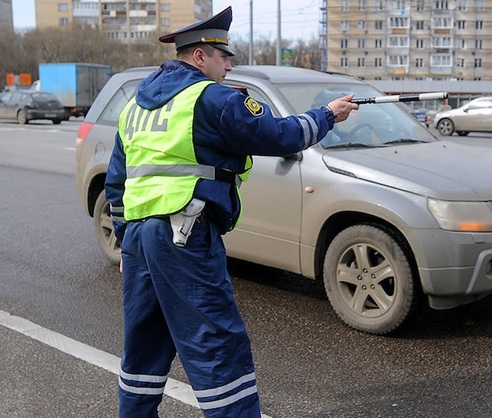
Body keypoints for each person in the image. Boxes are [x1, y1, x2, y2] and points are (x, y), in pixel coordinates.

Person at [104, 6, 358, 418]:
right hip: (184, 233)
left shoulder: (135, 107)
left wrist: (123, 238)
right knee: (217, 345)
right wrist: (328, 115)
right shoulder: (212, 98)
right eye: (224, 58)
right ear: (200, 56)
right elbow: (282, 135)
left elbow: (118, 182)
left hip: (138, 240)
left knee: (144, 347)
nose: (228, 66)